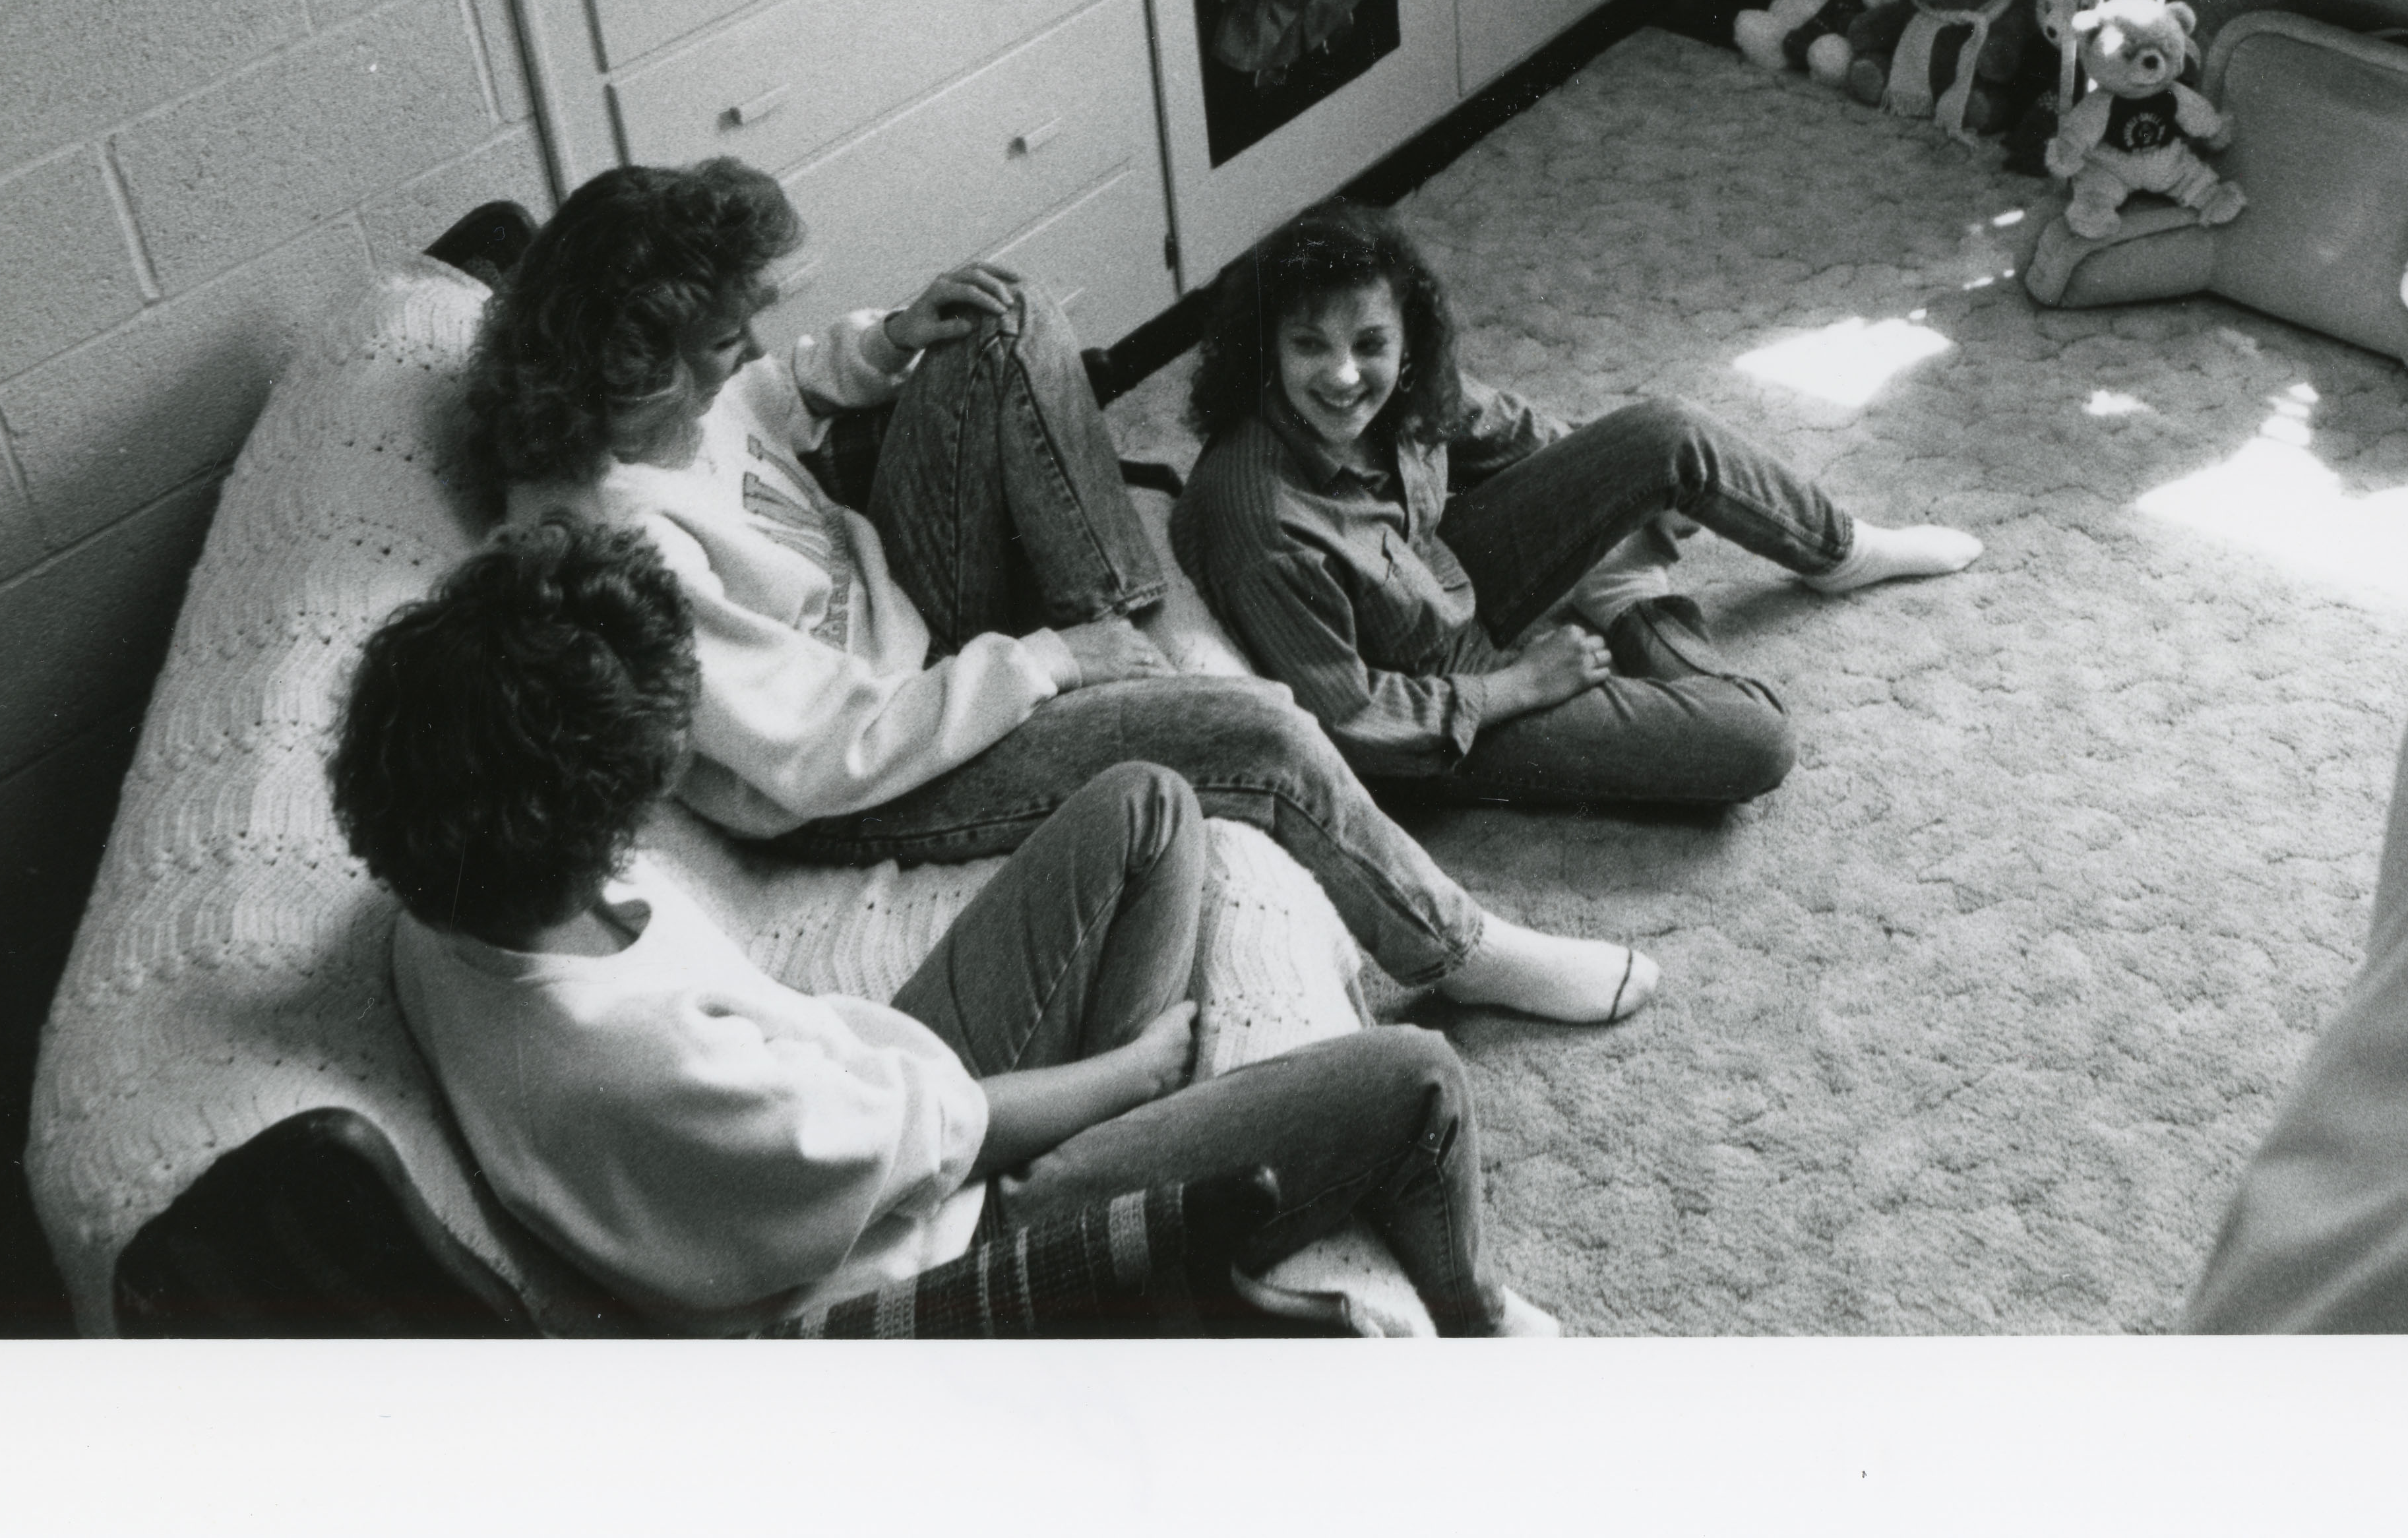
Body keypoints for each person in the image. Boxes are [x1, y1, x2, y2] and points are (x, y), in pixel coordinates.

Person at [470, 160, 1653, 1028]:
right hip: (874, 770)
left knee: (1004, 314)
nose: (744, 352)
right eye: (725, 340)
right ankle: (1459, 946)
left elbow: (763, 405)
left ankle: (1132, 617)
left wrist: (884, 342)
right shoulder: (615, 549)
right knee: (1257, 732)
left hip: (904, 626)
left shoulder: (664, 405)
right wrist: (1047, 661)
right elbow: (821, 755)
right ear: (638, 362)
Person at [331, 516, 1551, 1336]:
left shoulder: (444, 910)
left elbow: (868, 1110)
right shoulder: (636, 1064)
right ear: (582, 810)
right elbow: (936, 1138)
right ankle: (1475, 1314)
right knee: (1418, 1080)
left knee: (1147, 805)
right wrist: (1126, 1069)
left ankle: (1151, 1164)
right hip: (937, 1254)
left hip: (870, 1109)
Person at [1171, 201, 1982, 811]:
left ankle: (1843, 552)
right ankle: (1628, 597)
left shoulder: (1401, 390)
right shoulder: (1261, 521)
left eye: (1369, 344)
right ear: (1265, 348)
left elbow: (1513, 429)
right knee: (1750, 738)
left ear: (1405, 340)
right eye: (1310, 344)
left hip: (1438, 575)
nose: (1344, 376)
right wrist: (1522, 685)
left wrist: (1628, 493)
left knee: (1666, 434)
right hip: (1432, 716)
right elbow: (1351, 719)